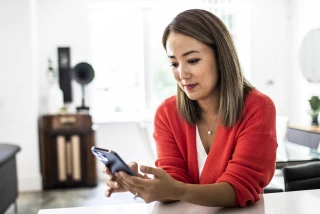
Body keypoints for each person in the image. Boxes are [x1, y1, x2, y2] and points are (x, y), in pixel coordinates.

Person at [104, 9, 277, 208]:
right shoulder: (167, 113)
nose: (182, 74)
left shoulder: (258, 108)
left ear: (221, 58)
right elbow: (173, 181)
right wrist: (141, 182)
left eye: (193, 61)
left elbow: (239, 187)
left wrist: (176, 189)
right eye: (174, 63)